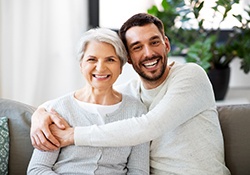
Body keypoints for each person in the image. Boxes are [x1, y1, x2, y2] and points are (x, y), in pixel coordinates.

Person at [30, 13, 231, 174]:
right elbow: (73, 101)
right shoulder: (131, 92)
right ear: (127, 58)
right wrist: (39, 114)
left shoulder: (190, 75)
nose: (148, 53)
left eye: (154, 42)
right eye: (137, 47)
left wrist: (73, 135)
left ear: (166, 44)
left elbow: (149, 126)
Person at [27, 27, 149, 174]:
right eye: (92, 59)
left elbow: (138, 170)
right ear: (81, 65)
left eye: (110, 60)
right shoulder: (58, 110)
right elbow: (38, 169)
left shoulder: (137, 111)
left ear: (121, 67)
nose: (100, 68)